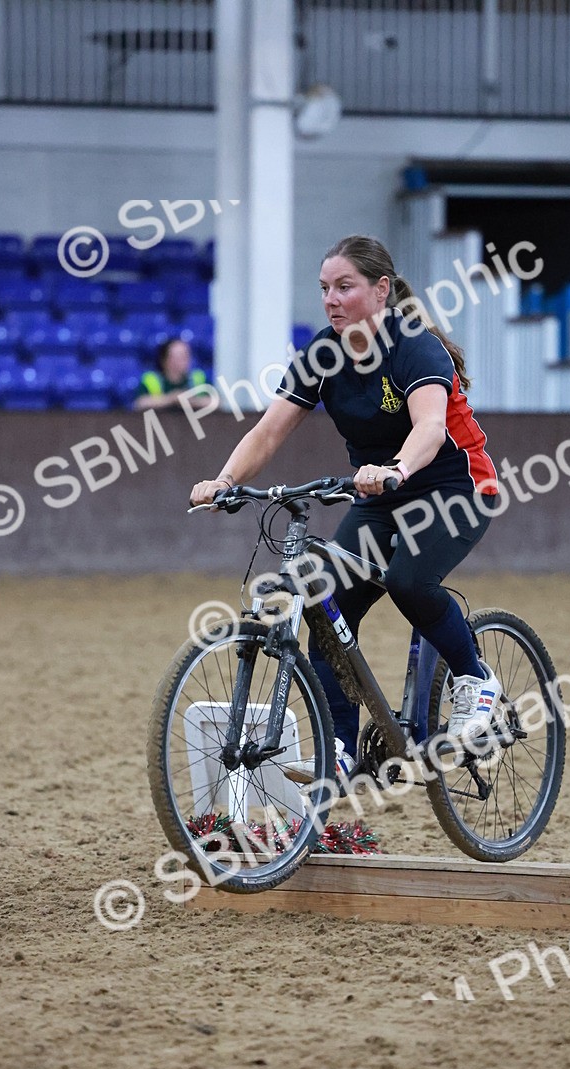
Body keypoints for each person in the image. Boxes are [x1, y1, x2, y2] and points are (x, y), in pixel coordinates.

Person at [190, 234, 500, 775]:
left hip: (456, 486)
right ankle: (338, 749)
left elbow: (429, 427)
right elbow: (267, 434)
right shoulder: (322, 355)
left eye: (344, 287)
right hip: (379, 492)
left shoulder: (414, 347)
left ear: (381, 291)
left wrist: (398, 469)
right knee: (327, 606)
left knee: (409, 581)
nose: (331, 299)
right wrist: (224, 480)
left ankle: (475, 680)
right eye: (324, 289)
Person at [133, 337, 207, 411]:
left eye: (186, 355)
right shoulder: (151, 379)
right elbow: (140, 403)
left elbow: (214, 401)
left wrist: (191, 401)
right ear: (164, 360)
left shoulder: (198, 377)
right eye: (178, 356)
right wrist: (171, 398)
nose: (184, 360)